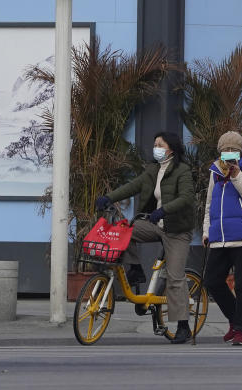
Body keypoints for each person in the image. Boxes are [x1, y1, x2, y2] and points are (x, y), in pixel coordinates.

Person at [95, 130, 196, 344]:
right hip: (156, 225)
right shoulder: (153, 169)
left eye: (159, 144)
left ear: (171, 148)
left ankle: (183, 326)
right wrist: (108, 198)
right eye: (154, 144)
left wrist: (164, 210)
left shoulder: (182, 170)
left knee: (175, 277)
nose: (155, 148)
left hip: (177, 229)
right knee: (125, 230)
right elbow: (133, 186)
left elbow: (187, 197)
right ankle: (135, 270)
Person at [201, 131, 242, 346]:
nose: (229, 155)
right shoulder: (215, 173)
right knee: (212, 280)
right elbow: (209, 205)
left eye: (233, 151)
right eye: (225, 151)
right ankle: (234, 319)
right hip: (221, 237)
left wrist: (237, 175)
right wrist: (206, 231)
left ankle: (241, 330)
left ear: (241, 151)